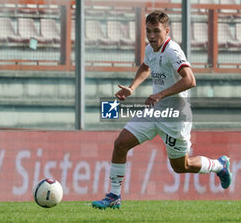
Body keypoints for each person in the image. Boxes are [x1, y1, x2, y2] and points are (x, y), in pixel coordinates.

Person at [92, 11, 232, 210]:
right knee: (121, 144)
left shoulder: (173, 51)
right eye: (148, 31)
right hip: (155, 111)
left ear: (167, 31)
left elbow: (190, 80)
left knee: (180, 166)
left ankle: (219, 166)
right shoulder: (151, 48)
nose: (151, 36)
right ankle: (114, 196)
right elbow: (145, 67)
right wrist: (132, 88)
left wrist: (161, 94)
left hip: (175, 116)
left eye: (156, 31)